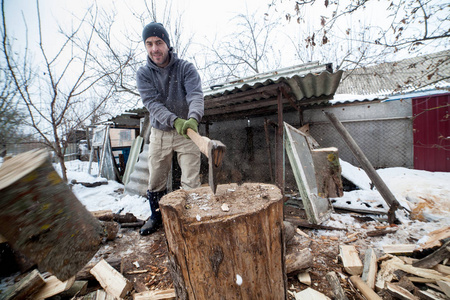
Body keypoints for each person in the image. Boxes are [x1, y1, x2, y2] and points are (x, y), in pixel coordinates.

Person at [136, 22, 204, 235]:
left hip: (187, 132)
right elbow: (152, 104)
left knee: (191, 179)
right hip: (160, 133)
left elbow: (195, 95)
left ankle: (191, 218)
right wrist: (175, 121)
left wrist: (192, 119)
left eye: (158, 42)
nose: (154, 48)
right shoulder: (144, 74)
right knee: (156, 177)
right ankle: (156, 216)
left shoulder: (185, 68)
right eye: (149, 44)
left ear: (167, 43)